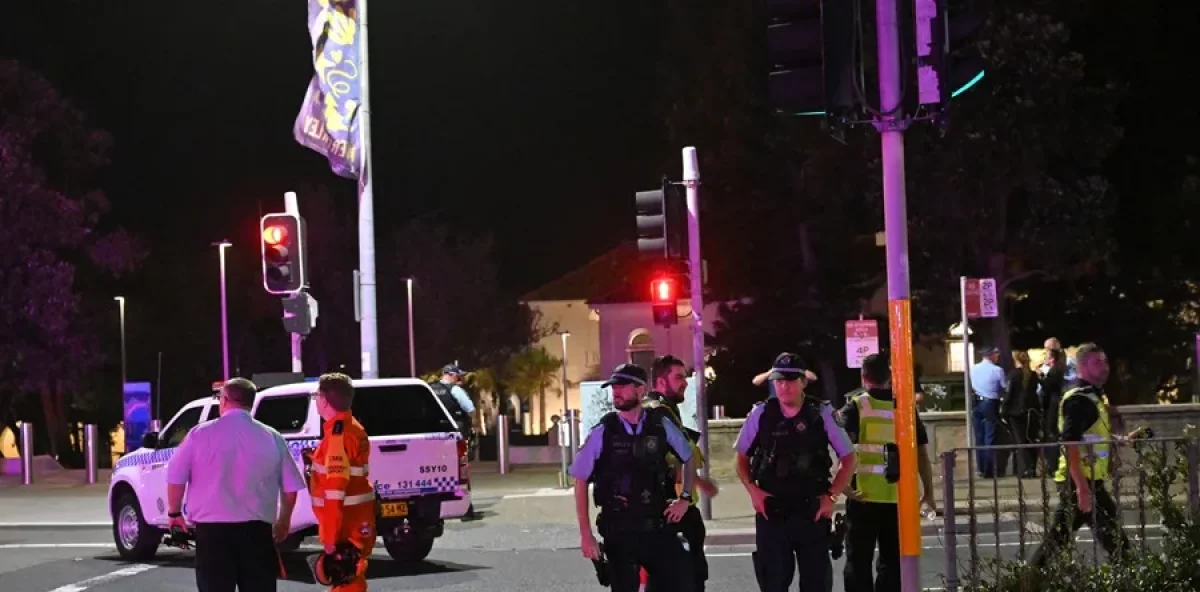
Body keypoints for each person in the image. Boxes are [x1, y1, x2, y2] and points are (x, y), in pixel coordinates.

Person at [166, 378, 307, 592]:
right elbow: (290, 488)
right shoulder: (272, 437)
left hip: (212, 535)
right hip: (257, 534)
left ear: (224, 400)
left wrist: (174, 513)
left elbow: (176, 477)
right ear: (251, 402)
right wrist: (284, 521)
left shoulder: (199, 434)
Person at [735, 352, 856, 592]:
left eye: (791, 380)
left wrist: (831, 497)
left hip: (811, 511)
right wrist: (753, 491)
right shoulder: (761, 414)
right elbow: (741, 458)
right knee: (774, 582)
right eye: (779, 380)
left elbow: (849, 458)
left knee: (816, 583)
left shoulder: (821, 413)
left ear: (803, 382)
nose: (784, 386)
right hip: (772, 512)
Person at [571, 363, 697, 592]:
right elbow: (579, 479)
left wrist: (685, 498)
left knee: (685, 582)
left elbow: (689, 458)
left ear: (641, 390)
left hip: (656, 525)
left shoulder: (660, 425)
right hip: (619, 530)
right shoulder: (604, 432)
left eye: (622, 386)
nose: (615, 392)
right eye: (613, 388)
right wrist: (586, 534)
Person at [837, 353, 936, 592]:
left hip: (863, 497)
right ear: (889, 378)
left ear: (863, 376)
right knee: (892, 563)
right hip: (898, 497)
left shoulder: (857, 406)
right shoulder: (904, 408)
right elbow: (922, 455)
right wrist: (928, 494)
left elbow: (841, 450)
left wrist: (842, 486)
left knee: (858, 562)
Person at [1030, 343, 1129, 567]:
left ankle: (1027, 580)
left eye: (1105, 362)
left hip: (1089, 481)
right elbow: (1070, 441)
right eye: (1097, 362)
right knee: (1115, 546)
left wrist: (1119, 439)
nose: (1104, 367)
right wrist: (1081, 488)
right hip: (1080, 482)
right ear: (1083, 366)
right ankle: (1026, 581)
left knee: (1059, 543)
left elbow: (1089, 436)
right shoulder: (1079, 399)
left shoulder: (1093, 397)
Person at [642, 355, 718, 592]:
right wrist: (688, 493)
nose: (684, 382)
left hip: (673, 509)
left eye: (684, 377)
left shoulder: (662, 410)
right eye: (678, 377)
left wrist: (697, 482)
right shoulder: (659, 413)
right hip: (673, 511)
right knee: (685, 579)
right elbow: (664, 464)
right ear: (661, 382)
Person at [310, 373, 376, 591]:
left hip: (344, 529)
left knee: (346, 581)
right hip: (358, 522)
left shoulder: (337, 437)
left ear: (324, 399)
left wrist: (329, 536)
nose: (316, 400)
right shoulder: (353, 428)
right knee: (353, 580)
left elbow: (335, 493)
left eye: (317, 395)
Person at [970, 346, 1007, 478]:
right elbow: (1004, 387)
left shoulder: (973, 368)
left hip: (977, 403)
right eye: (996, 353)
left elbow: (972, 385)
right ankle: (989, 470)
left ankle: (980, 468)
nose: (998, 356)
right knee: (990, 437)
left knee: (979, 437)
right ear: (990, 355)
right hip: (990, 403)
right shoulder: (997, 370)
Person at [1004, 350, 1042, 478]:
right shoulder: (1033, 375)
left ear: (1016, 359)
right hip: (1032, 411)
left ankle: (1024, 469)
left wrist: (1004, 411)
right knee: (1031, 439)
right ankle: (1031, 468)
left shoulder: (1013, 375)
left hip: (1016, 412)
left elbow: (1009, 395)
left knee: (1020, 441)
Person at [430, 364, 476, 435]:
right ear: (453, 375)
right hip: (454, 432)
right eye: (458, 377)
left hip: (433, 431)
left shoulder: (430, 388)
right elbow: (470, 409)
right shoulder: (455, 389)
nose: (458, 380)